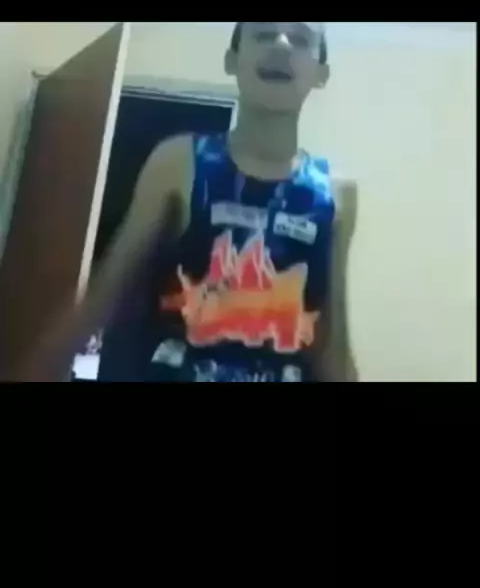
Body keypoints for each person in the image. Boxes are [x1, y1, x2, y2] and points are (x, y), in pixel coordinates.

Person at [21, 22, 358, 383]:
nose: (281, 44)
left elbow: (331, 343)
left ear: (321, 74)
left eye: (301, 38)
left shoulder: (334, 193)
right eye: (262, 32)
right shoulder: (179, 162)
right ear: (232, 60)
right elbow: (104, 298)